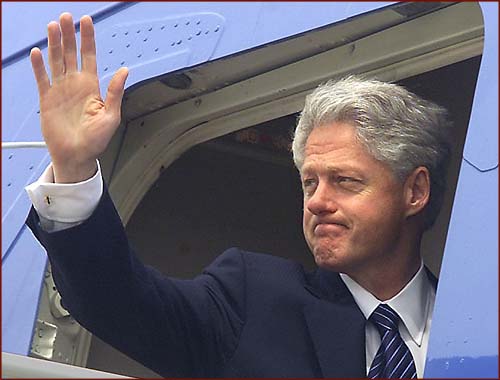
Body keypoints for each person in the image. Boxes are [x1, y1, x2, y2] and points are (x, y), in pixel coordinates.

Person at [25, 12, 452, 378]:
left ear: (414, 191)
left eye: (345, 181)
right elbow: (118, 301)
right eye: (309, 182)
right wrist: (74, 168)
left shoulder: (476, 317)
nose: (317, 201)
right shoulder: (252, 298)